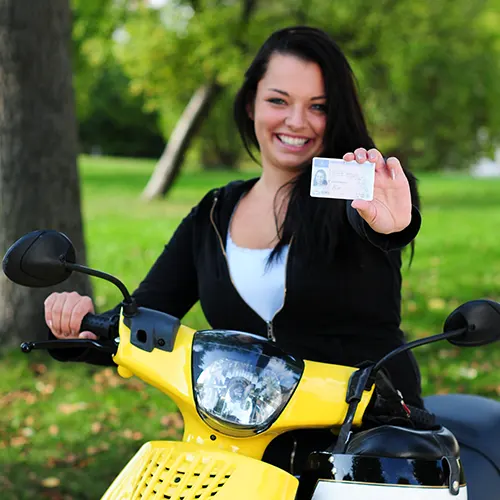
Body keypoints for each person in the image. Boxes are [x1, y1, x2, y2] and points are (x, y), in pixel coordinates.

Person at [44, 26, 422, 474]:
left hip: (370, 447)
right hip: (250, 453)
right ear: (251, 104)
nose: (296, 122)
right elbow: (142, 317)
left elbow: (389, 228)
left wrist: (394, 224)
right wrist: (80, 330)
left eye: (317, 107)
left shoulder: (360, 196)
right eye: (278, 101)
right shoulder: (214, 213)